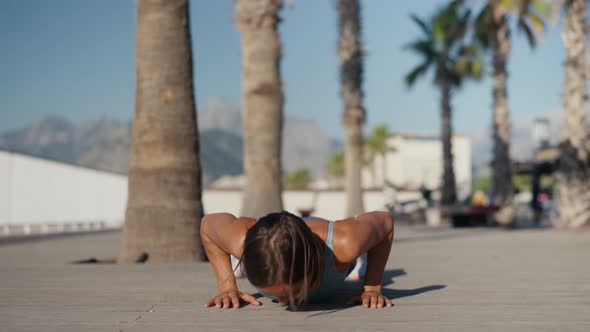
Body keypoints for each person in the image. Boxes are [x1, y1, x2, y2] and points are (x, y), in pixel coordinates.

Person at [201, 210, 394, 310]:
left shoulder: (345, 244)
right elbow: (207, 225)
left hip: (324, 235)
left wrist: (372, 287)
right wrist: (227, 287)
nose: (284, 303)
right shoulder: (241, 241)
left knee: (356, 235)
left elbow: (385, 222)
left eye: (292, 292)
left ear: (310, 268)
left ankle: (350, 219)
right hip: (277, 231)